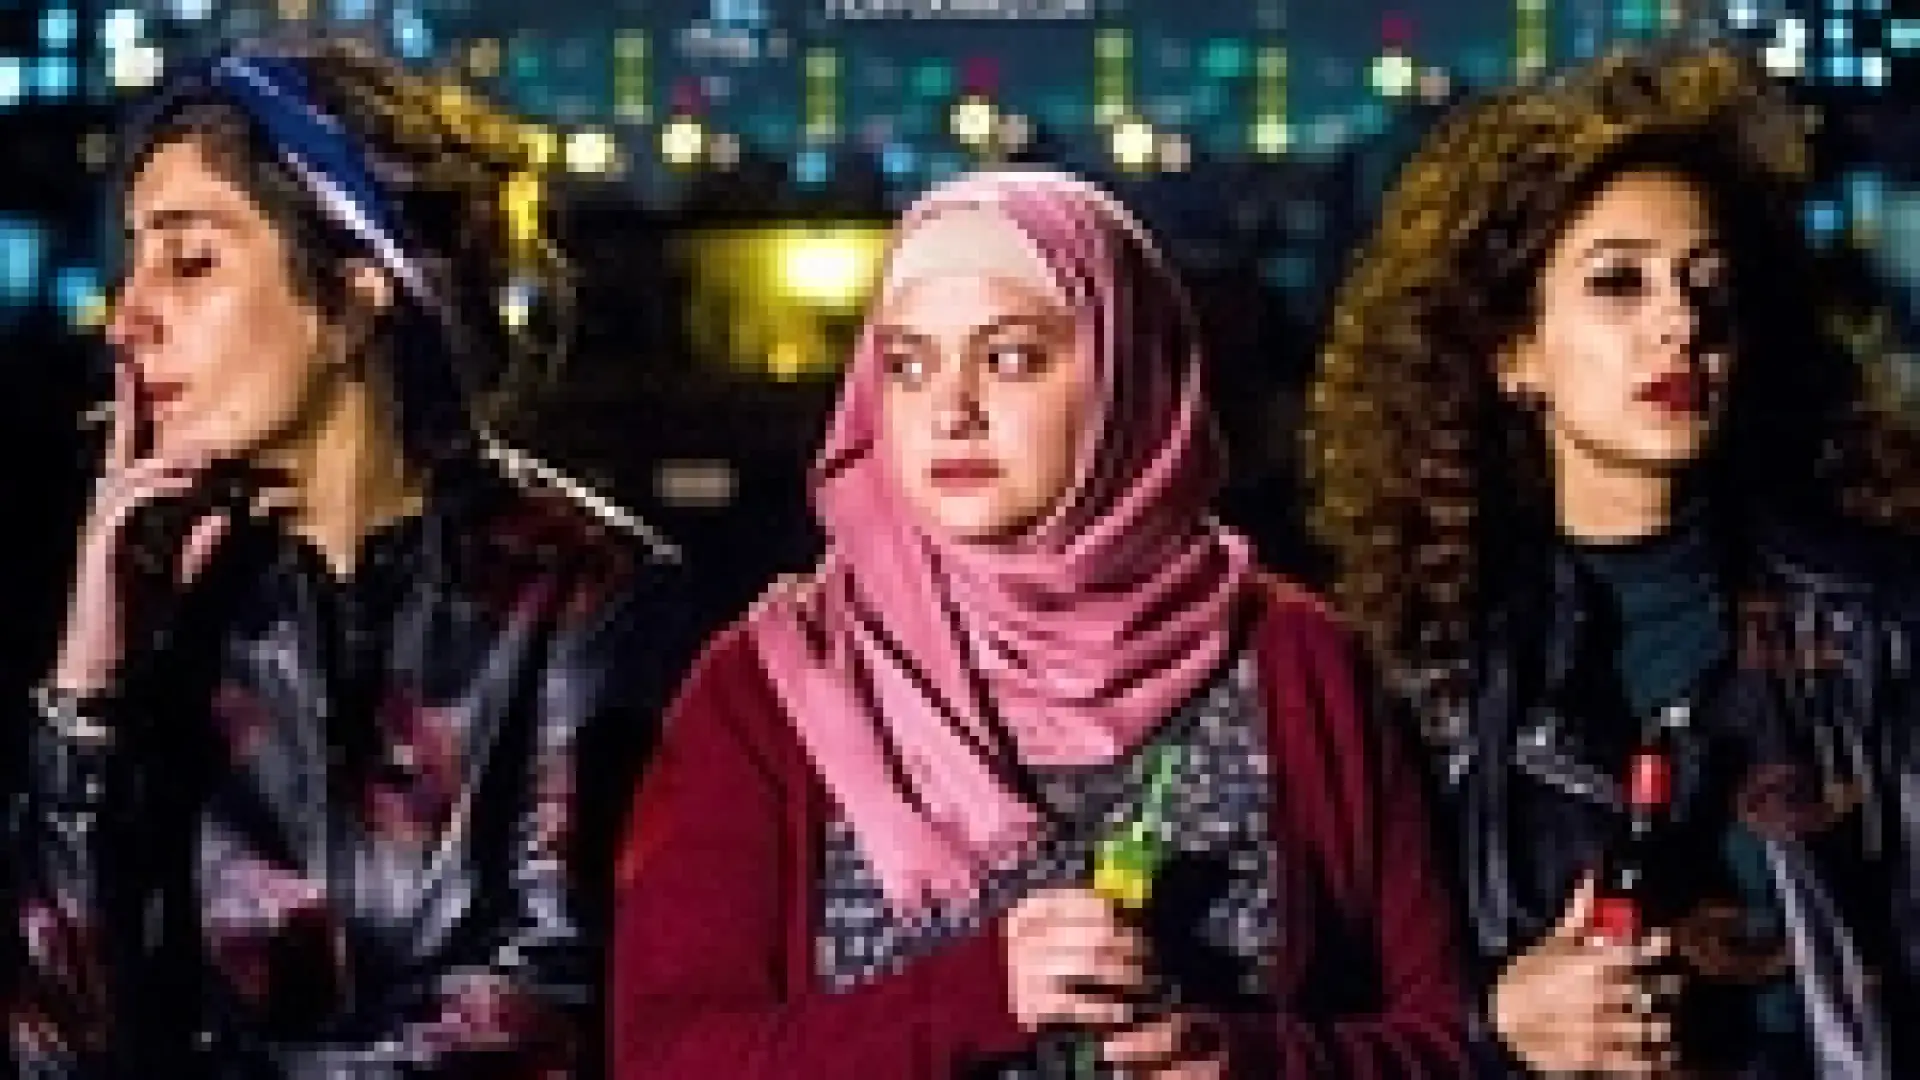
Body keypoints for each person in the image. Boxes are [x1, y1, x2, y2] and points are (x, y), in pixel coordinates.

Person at [609, 168, 1469, 1079]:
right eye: (907, 365)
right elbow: (668, 1058)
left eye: (1010, 358)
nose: (951, 412)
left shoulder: (1299, 663)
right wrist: (978, 997)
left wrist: (1252, 1062)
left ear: (1126, 377)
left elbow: (1446, 1042)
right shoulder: (774, 686)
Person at [5, 36, 694, 1078]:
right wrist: (84, 709)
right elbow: (53, 1047)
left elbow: (544, 1010)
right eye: (131, 262)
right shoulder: (168, 604)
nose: (126, 319)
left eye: (190, 262)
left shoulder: (583, 593)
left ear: (355, 295)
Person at [1307, 44, 1920, 1077]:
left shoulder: (1880, 623)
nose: (1680, 322)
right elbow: (1344, 1016)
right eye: (1618, 284)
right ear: (1513, 354)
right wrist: (1496, 1027)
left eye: (1708, 285)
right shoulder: (1428, 676)